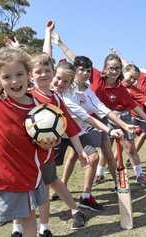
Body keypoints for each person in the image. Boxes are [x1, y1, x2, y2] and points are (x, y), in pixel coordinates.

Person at [9, 21, 88, 237]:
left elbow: (70, 127)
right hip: (23, 154)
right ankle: (17, 228)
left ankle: (46, 227)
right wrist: (44, 35)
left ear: (53, 73)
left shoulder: (56, 98)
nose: (43, 74)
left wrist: (81, 151)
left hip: (46, 154)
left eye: (47, 71)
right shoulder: (28, 93)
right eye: (38, 72)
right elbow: (41, 57)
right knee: (22, 190)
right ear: (30, 75)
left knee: (45, 187)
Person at [0, 46, 56, 237]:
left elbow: (46, 148)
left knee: (29, 220)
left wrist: (47, 145)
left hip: (31, 178)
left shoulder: (41, 109)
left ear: (28, 75)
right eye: (7, 77)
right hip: (2, 181)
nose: (15, 81)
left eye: (19, 74)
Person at [50, 58, 126, 211]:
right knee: (48, 168)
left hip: (77, 131)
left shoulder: (86, 89)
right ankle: (56, 190)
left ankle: (86, 196)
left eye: (88, 71)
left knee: (93, 157)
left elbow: (98, 109)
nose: (85, 73)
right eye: (81, 70)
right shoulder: (63, 91)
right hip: (56, 134)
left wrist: (119, 127)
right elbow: (86, 116)